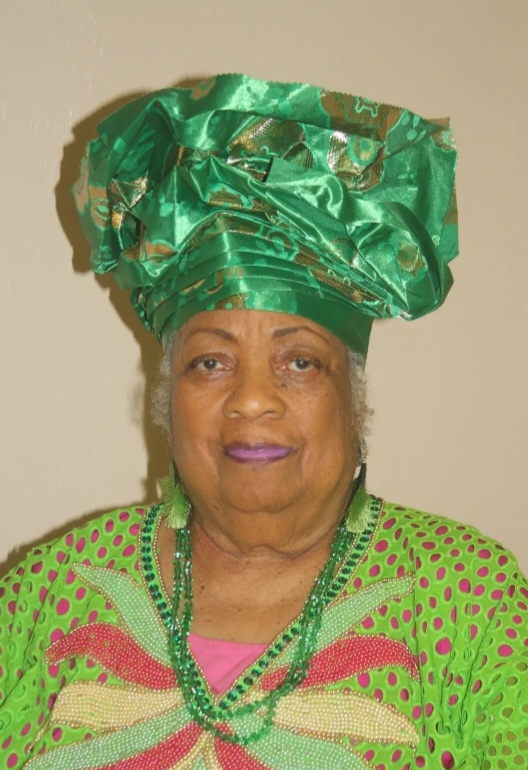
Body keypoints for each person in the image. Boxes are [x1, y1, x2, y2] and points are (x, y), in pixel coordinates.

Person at [0, 74, 526, 770]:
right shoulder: (47, 591)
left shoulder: (472, 600)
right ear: (167, 399)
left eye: (300, 362)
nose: (251, 400)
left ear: (353, 400)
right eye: (210, 363)